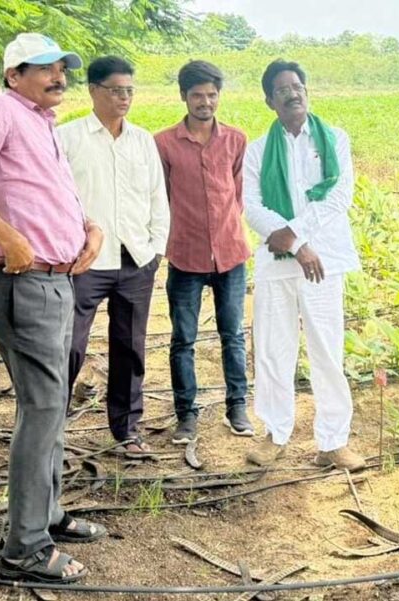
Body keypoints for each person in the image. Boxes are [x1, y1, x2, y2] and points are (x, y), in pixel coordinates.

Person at [0, 33, 106, 584]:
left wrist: (88, 229)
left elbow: (40, 192)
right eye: (45, 69)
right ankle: (25, 550)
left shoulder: (39, 121)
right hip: (24, 286)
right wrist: (8, 238)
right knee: (41, 411)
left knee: (52, 406)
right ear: (14, 74)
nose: (59, 76)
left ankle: (47, 516)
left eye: (63, 68)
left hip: (55, 283)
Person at [243, 59, 364, 471]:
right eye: (282, 90)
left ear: (306, 91)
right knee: (274, 350)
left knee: (327, 350)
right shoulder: (258, 150)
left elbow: (337, 198)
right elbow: (251, 206)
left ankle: (333, 442)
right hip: (277, 265)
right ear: (269, 101)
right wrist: (295, 246)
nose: (293, 93)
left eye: (297, 86)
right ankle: (275, 435)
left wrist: (295, 239)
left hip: (323, 261)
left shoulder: (335, 140)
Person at [58, 56, 169, 454]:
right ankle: (51, 427)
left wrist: (155, 249)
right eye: (115, 90)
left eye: (129, 91)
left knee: (130, 348)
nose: (124, 98)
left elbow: (158, 197)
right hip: (84, 263)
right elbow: (56, 200)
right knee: (68, 345)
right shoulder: (68, 138)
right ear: (92, 90)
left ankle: (127, 431)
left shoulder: (142, 140)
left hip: (136, 261)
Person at [154, 60, 252, 444]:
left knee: (233, 335)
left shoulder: (235, 140)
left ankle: (237, 407)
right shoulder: (163, 143)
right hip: (185, 256)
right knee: (183, 339)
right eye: (197, 95)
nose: (205, 102)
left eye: (212, 95)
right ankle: (187, 416)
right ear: (183, 96)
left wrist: (225, 230)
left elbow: (239, 193)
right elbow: (160, 197)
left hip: (230, 254)